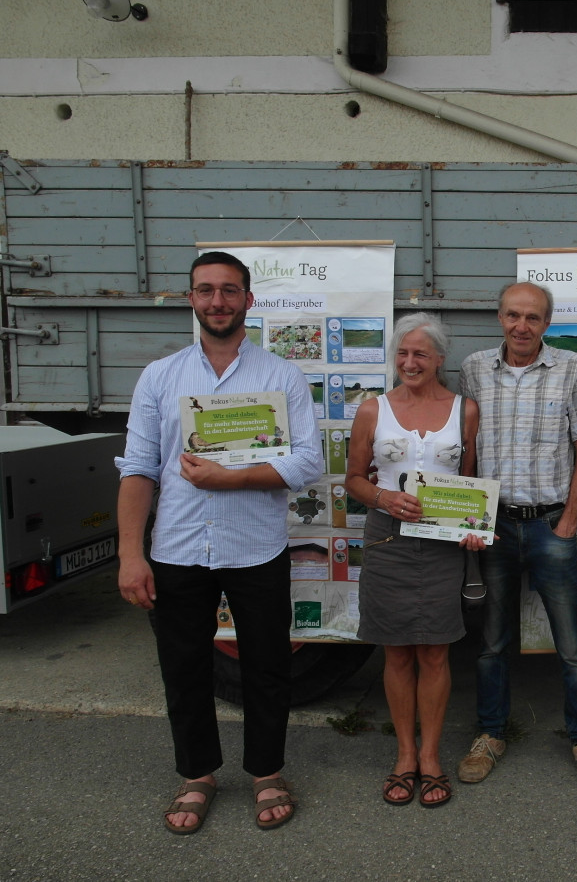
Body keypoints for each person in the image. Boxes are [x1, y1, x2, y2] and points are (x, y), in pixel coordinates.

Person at [116, 251, 323, 834]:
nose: (217, 301)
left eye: (229, 291)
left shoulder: (280, 375)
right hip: (178, 548)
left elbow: (306, 461)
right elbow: (138, 470)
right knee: (182, 668)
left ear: (249, 301)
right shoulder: (160, 376)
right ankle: (198, 774)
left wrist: (228, 478)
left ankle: (266, 772)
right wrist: (131, 555)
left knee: (266, 668)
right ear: (191, 299)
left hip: (255, 546)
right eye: (205, 290)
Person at [456, 281, 577, 792]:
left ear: (547, 323)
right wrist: (471, 518)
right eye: (512, 316)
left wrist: (569, 520)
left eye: (533, 318)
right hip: (495, 525)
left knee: (571, 645)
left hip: (551, 525)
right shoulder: (475, 369)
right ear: (499, 317)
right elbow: (469, 450)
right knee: (493, 642)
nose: (521, 326)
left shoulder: (573, 369)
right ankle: (491, 733)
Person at [343, 312, 484, 808]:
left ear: (440, 359)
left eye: (420, 354)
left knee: (436, 651)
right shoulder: (371, 411)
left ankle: (431, 756)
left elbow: (469, 484)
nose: (410, 362)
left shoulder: (465, 410)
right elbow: (354, 479)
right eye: (402, 353)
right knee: (397, 650)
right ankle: (404, 755)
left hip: (443, 546)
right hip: (388, 542)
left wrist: (472, 528)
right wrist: (384, 500)